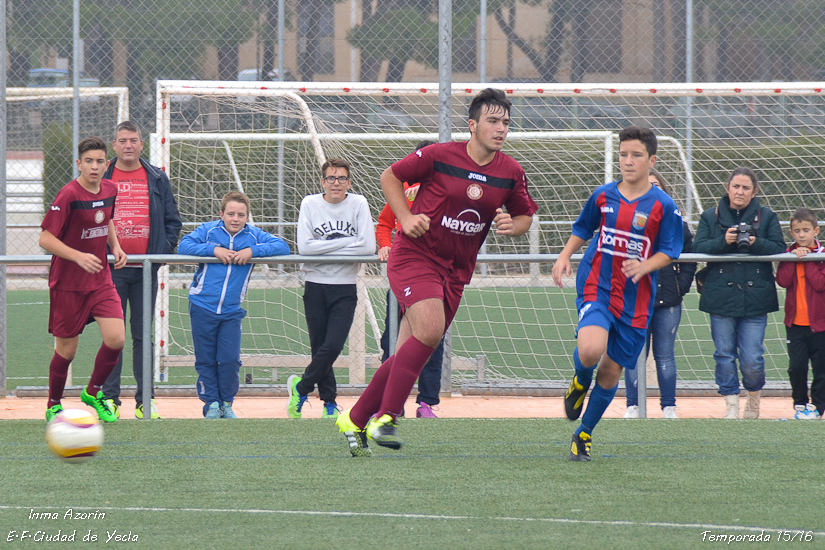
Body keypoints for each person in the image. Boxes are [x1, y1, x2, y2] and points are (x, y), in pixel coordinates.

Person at [335, 88, 538, 457]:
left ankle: (355, 416)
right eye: (493, 121)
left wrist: (515, 225)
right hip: (414, 257)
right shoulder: (440, 155)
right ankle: (387, 416)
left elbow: (525, 214)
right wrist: (407, 217)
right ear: (472, 124)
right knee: (429, 331)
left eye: (506, 122)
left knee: (409, 352)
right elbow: (389, 177)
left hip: (456, 272)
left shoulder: (510, 172)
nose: (501, 128)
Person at [553, 126, 684, 462]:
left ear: (651, 160)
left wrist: (645, 266)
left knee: (611, 372)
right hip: (598, 286)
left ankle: (583, 434)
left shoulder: (662, 206)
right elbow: (583, 228)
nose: (628, 161)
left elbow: (672, 248)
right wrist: (565, 256)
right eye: (624, 154)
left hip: (636, 302)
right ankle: (580, 382)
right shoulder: (603, 195)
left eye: (636, 155)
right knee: (591, 350)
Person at [178, 191, 289, 418]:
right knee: (206, 359)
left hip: (231, 311)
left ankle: (226, 403)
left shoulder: (253, 236)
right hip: (202, 305)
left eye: (241, 214)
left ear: (247, 217)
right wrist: (213, 250)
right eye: (230, 214)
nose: (235, 219)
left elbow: (282, 247)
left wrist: (252, 251)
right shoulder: (208, 231)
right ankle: (211, 404)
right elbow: (184, 246)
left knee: (229, 359)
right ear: (221, 214)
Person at [40, 136, 129, 423]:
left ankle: (93, 391)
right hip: (68, 284)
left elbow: (107, 219)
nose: (94, 166)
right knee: (67, 350)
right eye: (88, 161)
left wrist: (115, 246)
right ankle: (53, 403)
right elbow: (45, 238)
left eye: (100, 161)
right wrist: (77, 256)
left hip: (100, 279)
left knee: (116, 339)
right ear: (79, 164)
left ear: (107, 164)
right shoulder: (69, 195)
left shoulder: (111, 189)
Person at [102, 120, 182, 420]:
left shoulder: (156, 177)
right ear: (114, 145)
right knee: (113, 336)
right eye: (122, 140)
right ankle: (109, 399)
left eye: (133, 140)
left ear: (141, 144)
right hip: (111, 269)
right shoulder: (103, 174)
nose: (128, 146)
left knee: (141, 335)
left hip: (146, 269)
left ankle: (144, 400)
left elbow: (173, 221)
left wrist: (160, 254)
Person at [692, 167, 785, 419]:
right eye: (736, 186)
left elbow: (779, 247)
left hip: (756, 296)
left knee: (753, 357)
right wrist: (724, 240)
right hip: (720, 296)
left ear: (754, 191)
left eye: (745, 188)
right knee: (723, 354)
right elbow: (697, 247)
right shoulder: (711, 216)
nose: (739, 192)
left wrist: (756, 243)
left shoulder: (766, 216)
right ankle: (731, 402)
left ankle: (753, 397)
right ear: (727, 187)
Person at [288, 159, 376, 420]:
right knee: (319, 347)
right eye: (330, 178)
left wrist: (325, 247)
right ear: (322, 181)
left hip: (345, 287)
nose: (335, 183)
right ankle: (329, 403)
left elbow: (367, 247)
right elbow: (305, 247)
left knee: (334, 345)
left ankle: (300, 387)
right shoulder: (310, 203)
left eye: (341, 178)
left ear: (349, 182)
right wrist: (350, 242)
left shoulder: (358, 203)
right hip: (315, 284)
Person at [376, 140, 444, 419]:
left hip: (439, 278)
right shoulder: (402, 192)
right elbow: (384, 223)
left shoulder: (451, 193)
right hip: (405, 274)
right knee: (393, 340)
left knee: (433, 339)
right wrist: (383, 244)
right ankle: (390, 401)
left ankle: (426, 402)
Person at [623, 169, 696, 419]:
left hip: (668, 301)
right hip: (635, 299)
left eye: (656, 185)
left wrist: (680, 286)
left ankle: (669, 407)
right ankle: (632, 406)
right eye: (647, 185)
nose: (652, 189)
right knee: (633, 354)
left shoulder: (677, 224)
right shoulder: (627, 220)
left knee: (665, 355)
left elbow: (690, 258)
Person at [775, 207, 825, 420]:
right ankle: (799, 404)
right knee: (796, 367)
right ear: (791, 233)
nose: (802, 235)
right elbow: (783, 281)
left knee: (821, 369)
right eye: (797, 231)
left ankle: (818, 407)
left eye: (806, 230)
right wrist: (793, 259)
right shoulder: (789, 255)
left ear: (816, 231)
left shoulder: (821, 255)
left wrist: (809, 260)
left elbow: (820, 283)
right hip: (795, 325)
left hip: (820, 325)